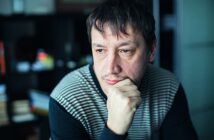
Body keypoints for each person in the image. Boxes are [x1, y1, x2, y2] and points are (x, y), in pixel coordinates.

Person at [49, 0, 198, 139]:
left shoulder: (168, 87)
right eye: (100, 50)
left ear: (151, 50)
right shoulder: (66, 99)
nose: (111, 68)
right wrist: (114, 129)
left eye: (125, 51)